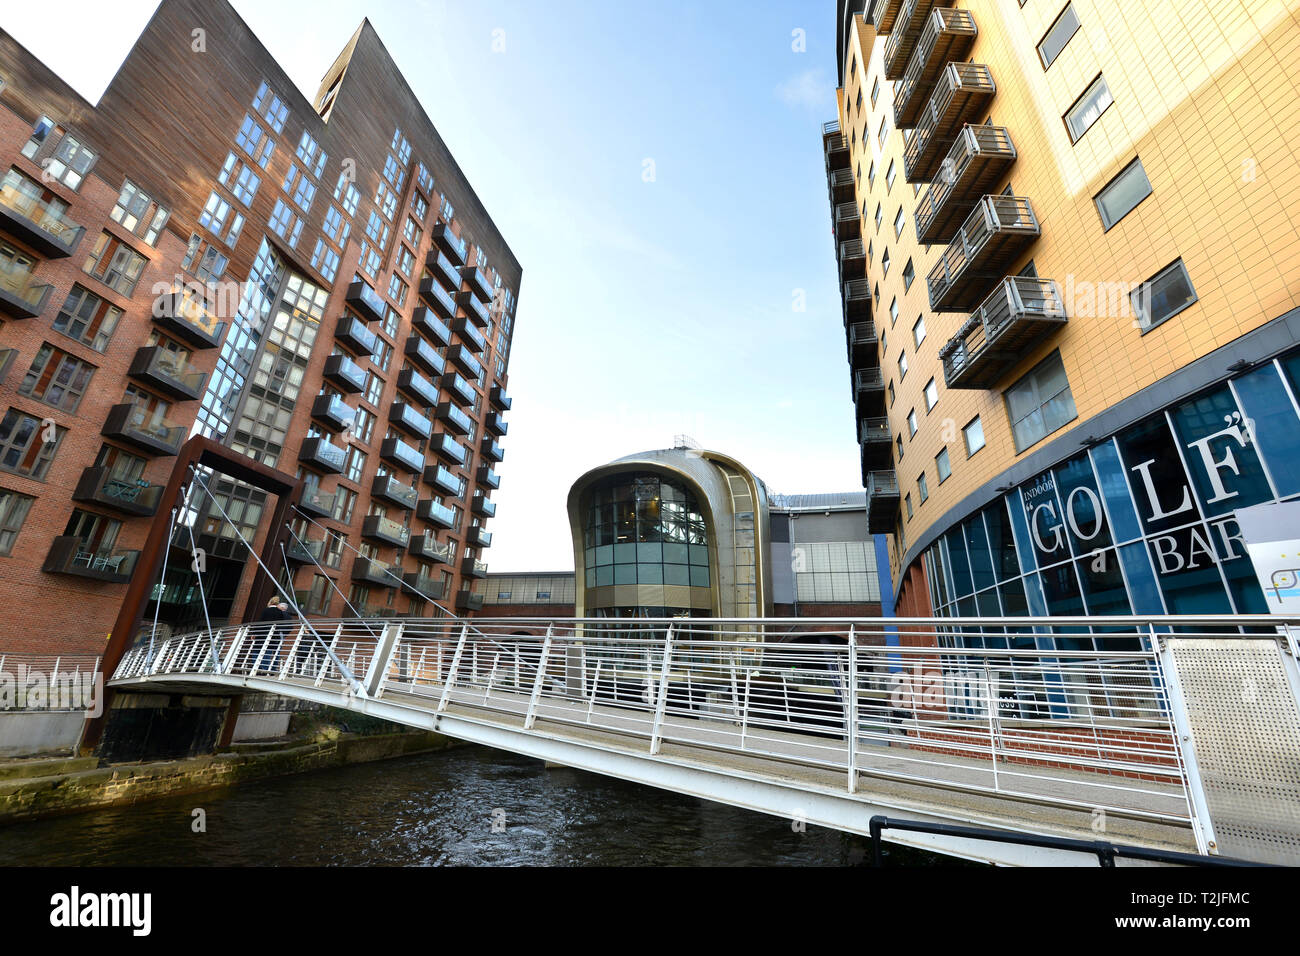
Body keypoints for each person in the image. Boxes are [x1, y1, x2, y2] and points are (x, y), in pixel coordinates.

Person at [255, 599, 286, 675]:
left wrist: (255, 633)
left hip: (262, 635)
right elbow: (281, 625)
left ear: (270, 603)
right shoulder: (280, 613)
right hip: (274, 636)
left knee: (257, 651)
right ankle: (266, 670)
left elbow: (260, 622)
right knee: (268, 653)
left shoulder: (266, 610)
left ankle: (258, 669)